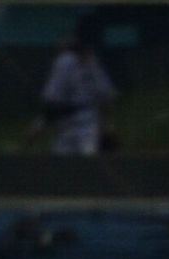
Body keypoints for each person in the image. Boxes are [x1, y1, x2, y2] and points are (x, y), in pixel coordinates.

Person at [38, 18, 117, 156]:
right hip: (74, 122)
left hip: (80, 122)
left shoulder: (78, 62)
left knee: (80, 165)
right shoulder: (79, 61)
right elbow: (106, 96)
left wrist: (107, 125)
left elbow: (106, 96)